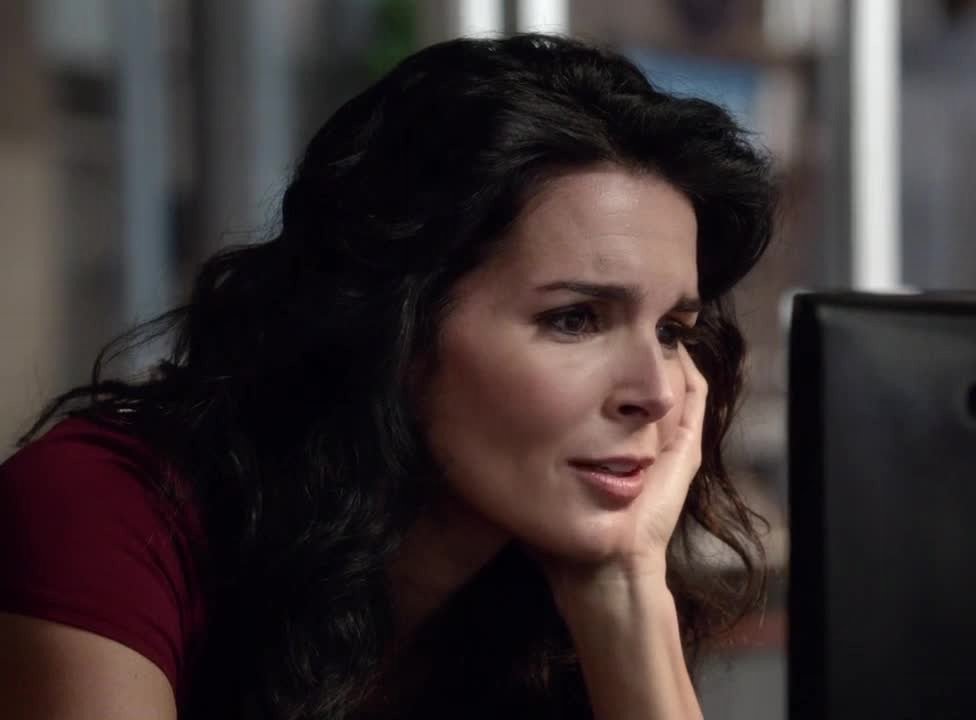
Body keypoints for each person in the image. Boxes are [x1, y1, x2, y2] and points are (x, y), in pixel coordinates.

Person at [0, 32, 775, 719]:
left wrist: (625, 593)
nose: (658, 393)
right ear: (392, 324)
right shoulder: (107, 510)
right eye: (575, 319)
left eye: (673, 331)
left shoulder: (536, 591)